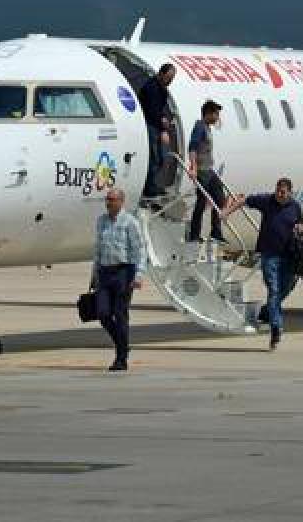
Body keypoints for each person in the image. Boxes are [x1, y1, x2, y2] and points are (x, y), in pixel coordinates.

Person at [231, 178, 303, 350]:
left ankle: (267, 311)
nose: (279, 194)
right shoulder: (267, 201)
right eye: (278, 190)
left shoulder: (295, 206)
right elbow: (244, 200)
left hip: (289, 256)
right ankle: (275, 328)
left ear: (290, 192)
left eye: (283, 192)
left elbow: (301, 222)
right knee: (273, 290)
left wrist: (300, 227)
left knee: (285, 289)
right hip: (269, 255)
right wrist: (227, 211)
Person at [91, 188, 146, 372]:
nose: (108, 203)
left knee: (120, 314)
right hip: (105, 272)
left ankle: (121, 358)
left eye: (112, 200)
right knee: (103, 313)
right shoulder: (101, 221)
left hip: (124, 272)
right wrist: (94, 273)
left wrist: (138, 275)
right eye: (107, 200)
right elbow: (98, 248)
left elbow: (140, 250)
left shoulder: (130, 222)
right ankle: (122, 345)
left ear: (121, 202)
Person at [187, 100, 225, 242]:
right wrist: (193, 167)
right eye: (215, 113)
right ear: (208, 113)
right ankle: (194, 235)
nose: (217, 117)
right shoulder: (200, 127)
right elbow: (192, 147)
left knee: (219, 198)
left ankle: (216, 231)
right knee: (201, 202)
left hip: (209, 170)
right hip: (202, 171)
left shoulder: (207, 128)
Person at [138, 63, 176, 197]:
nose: (171, 80)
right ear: (161, 74)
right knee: (154, 157)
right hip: (150, 125)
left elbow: (159, 110)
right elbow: (152, 111)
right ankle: (149, 188)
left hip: (155, 125)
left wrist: (164, 118)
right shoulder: (152, 88)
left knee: (158, 158)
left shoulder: (162, 89)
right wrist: (163, 128)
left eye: (173, 77)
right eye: (169, 77)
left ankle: (152, 185)